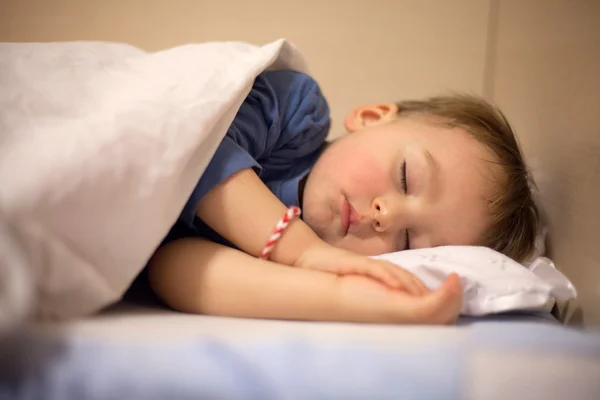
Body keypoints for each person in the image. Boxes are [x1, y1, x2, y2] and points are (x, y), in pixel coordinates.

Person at [141, 70, 539, 325]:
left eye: (406, 242)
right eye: (405, 177)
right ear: (371, 118)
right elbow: (199, 143)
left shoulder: (317, 266)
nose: (387, 215)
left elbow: (170, 267)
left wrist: (344, 297)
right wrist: (301, 251)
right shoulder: (294, 114)